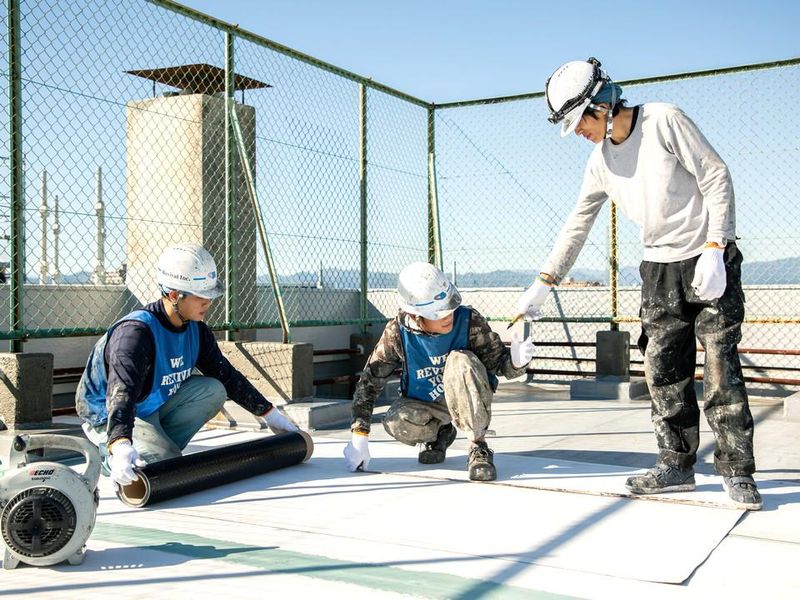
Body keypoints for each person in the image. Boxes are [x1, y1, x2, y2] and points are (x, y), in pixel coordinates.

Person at [516, 57, 761, 510]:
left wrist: (715, 245)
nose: (579, 134)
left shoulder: (664, 120)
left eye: (580, 124)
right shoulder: (599, 162)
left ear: (600, 106)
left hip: (708, 259)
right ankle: (676, 465)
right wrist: (544, 282)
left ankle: (737, 471)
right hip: (659, 269)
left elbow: (715, 174)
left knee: (721, 367)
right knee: (664, 370)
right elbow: (578, 223)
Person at [76, 243, 299, 487]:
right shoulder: (135, 334)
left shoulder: (196, 330)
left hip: (151, 406)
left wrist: (269, 413)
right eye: (201, 296)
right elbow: (122, 393)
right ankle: (111, 455)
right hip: (108, 414)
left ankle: (154, 445)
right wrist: (120, 443)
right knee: (161, 466)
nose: (208, 303)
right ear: (173, 295)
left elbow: (225, 375)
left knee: (213, 389)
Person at [343, 262, 534, 481]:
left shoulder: (469, 321)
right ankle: (441, 432)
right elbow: (369, 382)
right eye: (438, 312)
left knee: (460, 360)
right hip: (427, 404)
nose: (448, 315)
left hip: (467, 398)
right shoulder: (397, 332)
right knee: (395, 422)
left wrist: (517, 361)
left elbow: (500, 365)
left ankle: (478, 446)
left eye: (449, 306)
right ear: (415, 315)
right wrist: (359, 437)